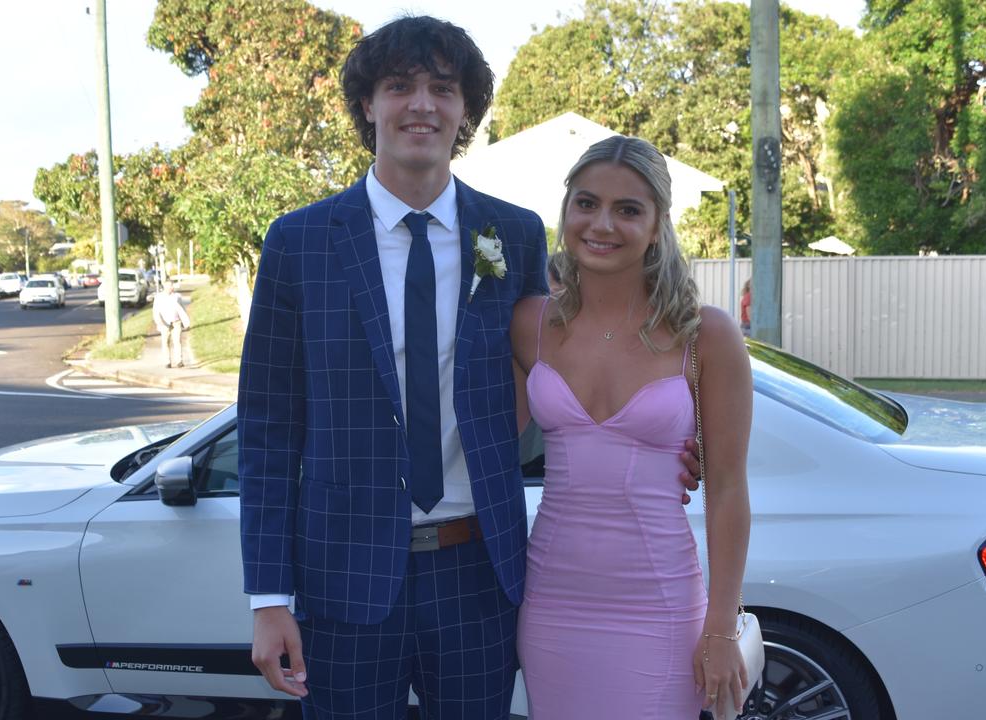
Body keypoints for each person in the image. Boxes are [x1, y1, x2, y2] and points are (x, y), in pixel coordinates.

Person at [238, 17, 703, 719]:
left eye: (442, 89)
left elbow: (570, 362)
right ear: (368, 104)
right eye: (399, 86)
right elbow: (267, 427)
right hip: (342, 576)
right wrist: (268, 597)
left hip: (479, 572)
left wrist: (666, 440)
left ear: (465, 113)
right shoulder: (298, 242)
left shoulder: (512, 235)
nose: (420, 104)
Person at [511, 136, 753, 719]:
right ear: (566, 210)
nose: (602, 224)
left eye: (628, 209)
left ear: (657, 224)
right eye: (587, 203)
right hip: (550, 602)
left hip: (659, 606)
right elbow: (481, 442)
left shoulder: (707, 335)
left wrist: (720, 627)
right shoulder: (529, 324)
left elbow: (727, 490)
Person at [152, 282, 190, 368]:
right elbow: (155, 311)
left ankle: (179, 361)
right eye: (169, 286)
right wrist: (159, 322)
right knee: (165, 342)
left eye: (172, 285)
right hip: (164, 323)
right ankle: (167, 361)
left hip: (176, 322)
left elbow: (182, 309)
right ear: (165, 287)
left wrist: (185, 322)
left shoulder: (177, 296)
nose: (171, 287)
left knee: (177, 341)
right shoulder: (159, 297)